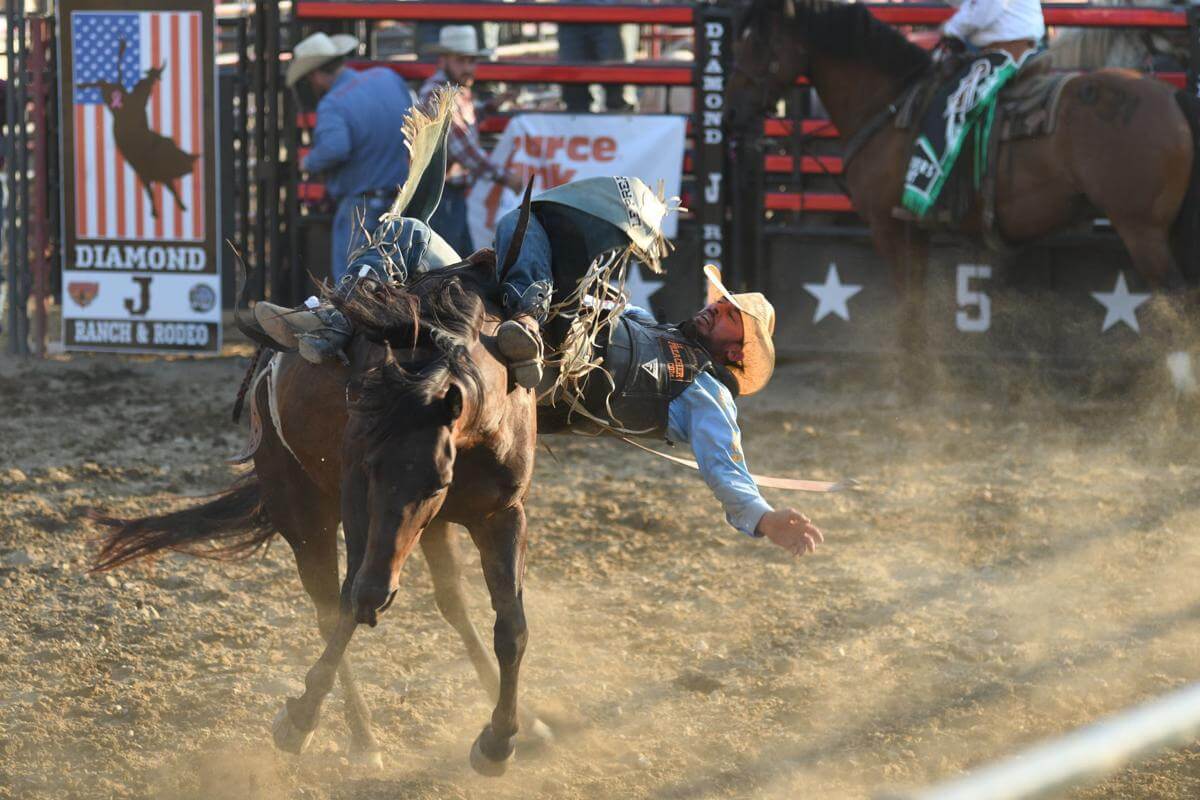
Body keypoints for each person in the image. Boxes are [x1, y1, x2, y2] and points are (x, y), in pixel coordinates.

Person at [287, 32, 416, 283]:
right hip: (403, 199)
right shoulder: (387, 77)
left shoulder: (333, 104)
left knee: (352, 281)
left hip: (363, 205)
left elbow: (336, 148)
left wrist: (309, 161)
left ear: (314, 75)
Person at [418, 26, 523, 256]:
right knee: (449, 269)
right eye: (461, 61)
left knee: (458, 265)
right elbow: (466, 150)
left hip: (447, 198)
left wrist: (493, 105)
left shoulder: (450, 90)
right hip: (440, 199)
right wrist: (507, 177)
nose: (468, 67)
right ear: (443, 60)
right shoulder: (438, 96)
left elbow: (463, 127)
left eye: (471, 61)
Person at [937, 0, 1045, 62]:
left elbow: (981, 14)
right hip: (1018, 46)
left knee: (958, 96)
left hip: (1007, 50)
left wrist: (951, 29)